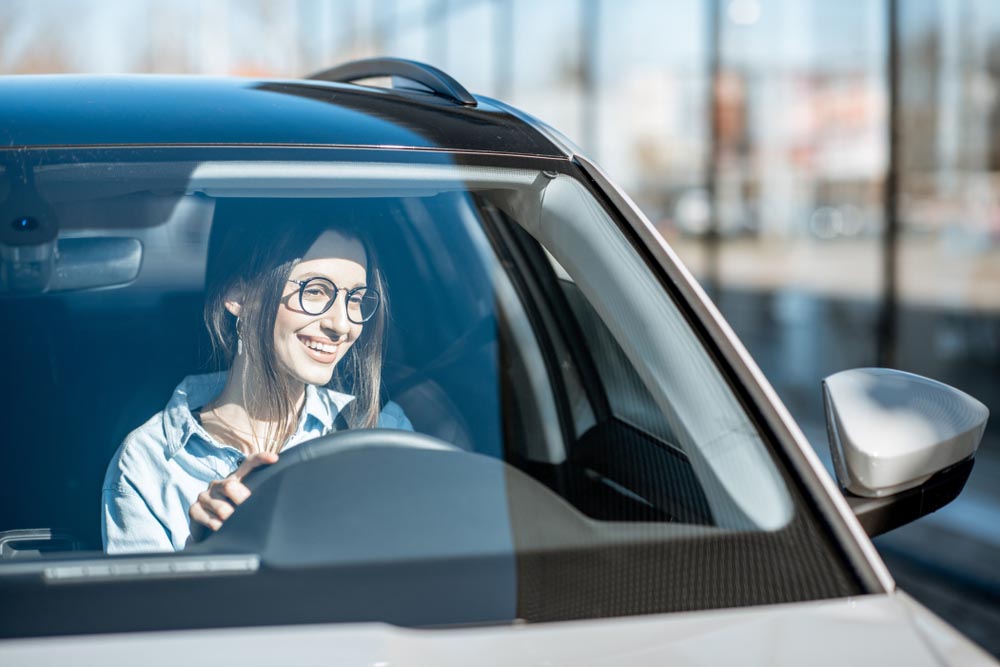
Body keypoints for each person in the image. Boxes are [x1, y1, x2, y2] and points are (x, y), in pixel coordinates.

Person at [102, 201, 411, 554]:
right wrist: (200, 552)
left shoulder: (384, 430)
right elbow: (146, 609)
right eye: (314, 291)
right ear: (238, 296)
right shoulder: (149, 463)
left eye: (355, 299)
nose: (341, 324)